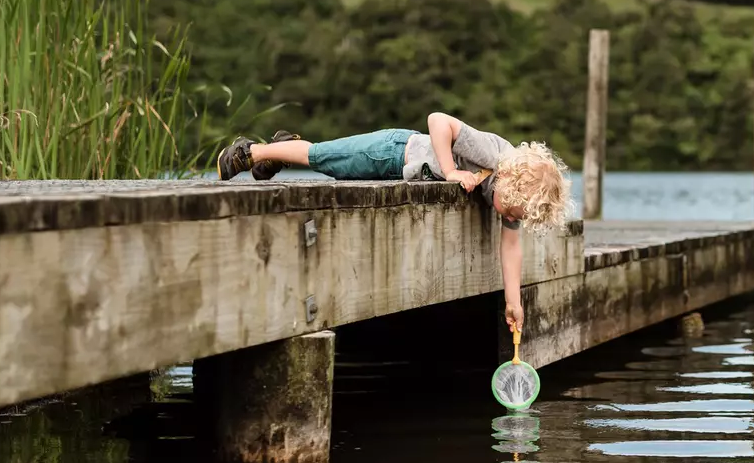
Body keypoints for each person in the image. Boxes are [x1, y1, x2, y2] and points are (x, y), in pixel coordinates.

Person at [214, 113, 572, 331]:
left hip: (397, 165)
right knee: (322, 157)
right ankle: (251, 152)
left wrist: (514, 301)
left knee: (328, 159)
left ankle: (281, 149)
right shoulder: (493, 154)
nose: (508, 218)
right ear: (512, 181)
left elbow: (511, 246)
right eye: (511, 211)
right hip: (391, 152)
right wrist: (449, 171)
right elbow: (438, 121)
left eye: (515, 217)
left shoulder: (508, 191)